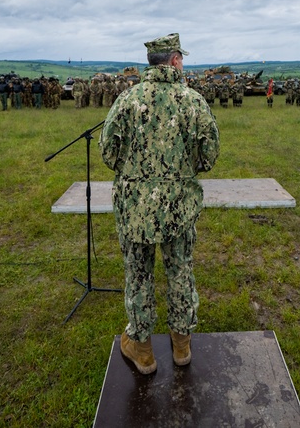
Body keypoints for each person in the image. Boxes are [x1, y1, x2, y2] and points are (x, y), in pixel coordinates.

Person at [99, 33, 220, 376]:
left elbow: (108, 152)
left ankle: (143, 352)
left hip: (135, 208)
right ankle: (181, 345)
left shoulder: (126, 100)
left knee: (138, 276)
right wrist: (182, 171)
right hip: (180, 207)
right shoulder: (194, 101)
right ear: (175, 60)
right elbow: (209, 155)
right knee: (180, 270)